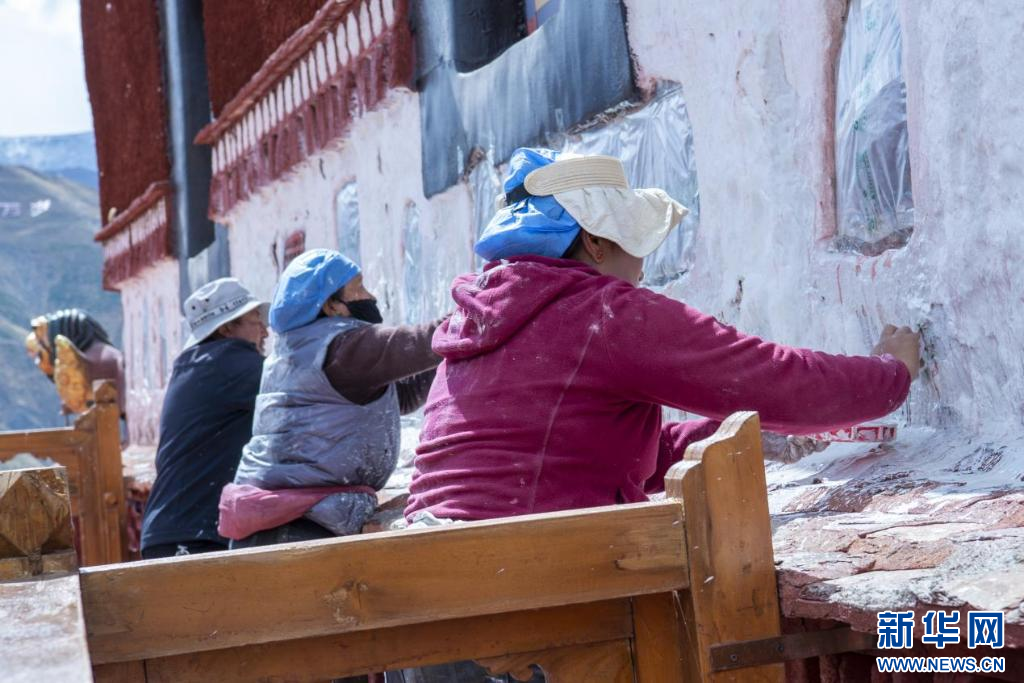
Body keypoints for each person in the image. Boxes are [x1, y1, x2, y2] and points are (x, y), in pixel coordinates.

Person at [405, 147, 921, 525]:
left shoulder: (481, 318)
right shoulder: (605, 313)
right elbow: (769, 379)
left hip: (442, 576)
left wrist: (746, 434)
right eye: (635, 245)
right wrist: (890, 375)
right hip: (532, 580)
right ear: (595, 241)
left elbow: (586, 453)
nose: (642, 269)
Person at [219, 249, 443, 548]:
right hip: (297, 529)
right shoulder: (341, 346)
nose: (371, 296)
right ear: (332, 306)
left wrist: (453, 353)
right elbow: (420, 341)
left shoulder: (296, 350)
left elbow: (398, 396)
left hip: (277, 521)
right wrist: (479, 308)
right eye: (359, 288)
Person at [139, 278, 268, 559]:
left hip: (176, 531)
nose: (265, 331)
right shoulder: (230, 362)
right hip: (192, 537)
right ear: (226, 328)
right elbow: (305, 383)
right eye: (255, 320)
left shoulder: (198, 364)